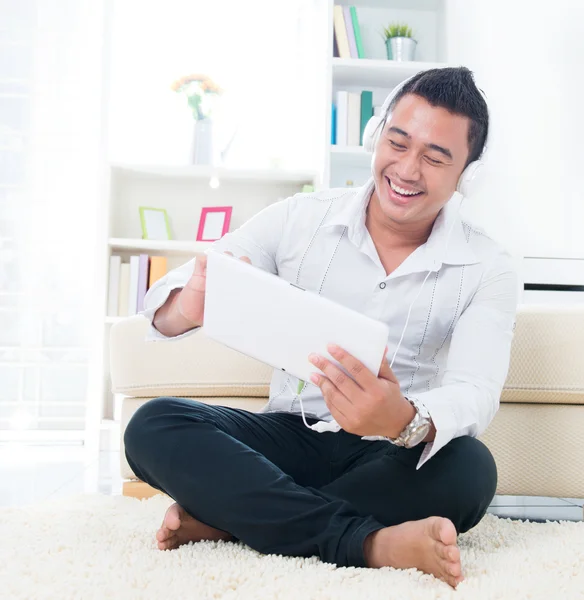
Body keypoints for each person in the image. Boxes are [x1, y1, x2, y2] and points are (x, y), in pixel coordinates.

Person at [124, 66, 519, 590]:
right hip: (291, 435)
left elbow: (476, 390)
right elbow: (169, 306)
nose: (406, 169)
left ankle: (234, 518)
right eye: (397, 143)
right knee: (154, 426)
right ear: (375, 136)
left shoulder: (489, 265)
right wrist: (189, 307)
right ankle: (367, 543)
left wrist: (401, 418)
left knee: (470, 468)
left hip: (389, 450)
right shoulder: (299, 218)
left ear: (465, 174)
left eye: (434, 157)